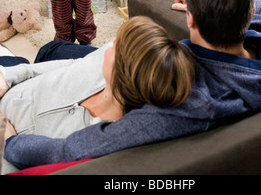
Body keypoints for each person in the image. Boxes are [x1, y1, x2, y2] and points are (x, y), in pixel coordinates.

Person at [2, 0, 261, 172]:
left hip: (101, 85)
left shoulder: (190, 103)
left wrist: (12, 144)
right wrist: (223, 0)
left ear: (191, 19)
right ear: (247, 13)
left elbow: (74, 149)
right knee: (51, 51)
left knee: (44, 51)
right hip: (119, 67)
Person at [0, 16, 195, 174]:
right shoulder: (102, 63)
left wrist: (6, 143)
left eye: (117, 47)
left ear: (120, 77)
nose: (112, 42)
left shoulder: (87, 143)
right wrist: (11, 75)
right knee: (46, 50)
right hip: (12, 82)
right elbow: (71, 66)